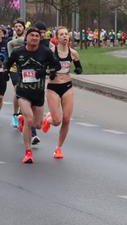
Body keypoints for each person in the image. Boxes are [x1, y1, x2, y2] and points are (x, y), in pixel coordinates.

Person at [5, 27, 60, 164]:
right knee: (30, 121)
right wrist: (6, 73)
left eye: (37, 36)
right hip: (23, 91)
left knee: (38, 125)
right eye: (32, 35)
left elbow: (57, 65)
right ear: (27, 38)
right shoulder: (18, 52)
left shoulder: (45, 52)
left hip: (38, 93)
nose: (35, 38)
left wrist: (49, 72)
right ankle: (28, 152)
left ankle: (29, 120)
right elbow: (8, 64)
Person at [40, 27, 82, 160]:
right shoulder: (50, 52)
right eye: (61, 34)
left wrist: (79, 69)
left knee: (66, 119)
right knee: (57, 121)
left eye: (66, 34)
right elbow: (42, 69)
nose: (64, 36)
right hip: (53, 87)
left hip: (67, 86)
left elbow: (78, 66)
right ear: (56, 38)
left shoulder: (73, 53)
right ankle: (48, 119)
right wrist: (49, 72)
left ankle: (58, 148)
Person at [7, 19, 26, 128]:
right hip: (14, 69)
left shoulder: (28, 38)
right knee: (18, 89)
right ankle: (15, 115)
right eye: (16, 26)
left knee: (24, 91)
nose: (18, 28)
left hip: (26, 69)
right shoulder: (12, 40)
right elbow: (10, 53)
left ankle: (22, 113)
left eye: (20, 26)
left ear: (23, 28)